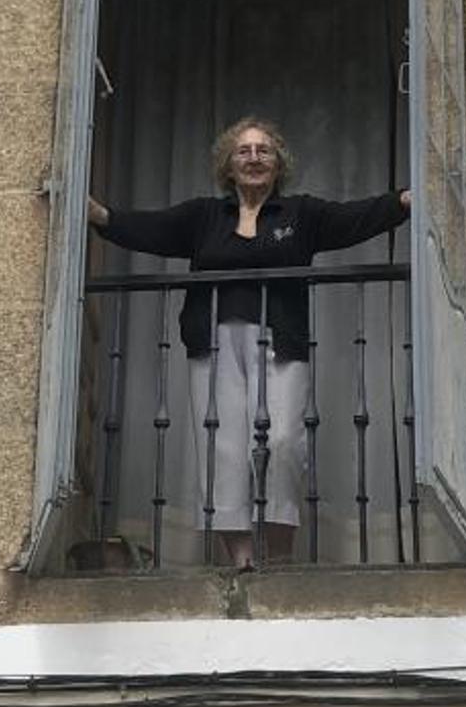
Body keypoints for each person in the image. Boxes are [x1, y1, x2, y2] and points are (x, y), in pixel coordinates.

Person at [89, 117, 410, 570]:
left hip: (280, 338)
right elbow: (150, 228)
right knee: (222, 446)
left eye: (264, 151)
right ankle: (240, 560)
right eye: (244, 151)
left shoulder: (301, 214)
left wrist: (404, 201)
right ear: (228, 164)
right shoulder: (202, 217)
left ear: (279, 164)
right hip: (214, 341)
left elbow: (354, 217)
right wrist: (100, 216)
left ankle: (278, 554)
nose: (254, 158)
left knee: (282, 440)